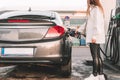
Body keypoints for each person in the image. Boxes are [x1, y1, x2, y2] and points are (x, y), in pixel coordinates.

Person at [76, 0, 106, 80]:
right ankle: (100, 75)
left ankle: (94, 75)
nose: (87, 1)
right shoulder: (94, 9)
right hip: (95, 36)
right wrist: (79, 30)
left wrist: (95, 36)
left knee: (95, 56)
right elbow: (87, 23)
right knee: (98, 56)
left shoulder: (96, 9)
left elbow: (97, 23)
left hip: (95, 36)